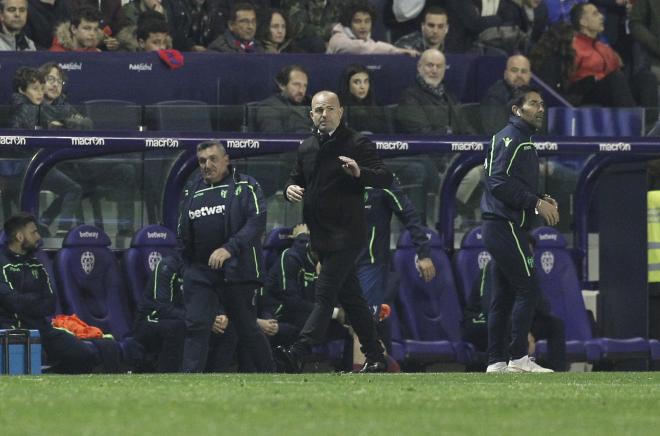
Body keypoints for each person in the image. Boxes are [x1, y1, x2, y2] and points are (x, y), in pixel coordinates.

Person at [276, 90, 393, 373]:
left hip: (348, 234)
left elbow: (385, 176)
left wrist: (358, 173)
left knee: (325, 295)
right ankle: (376, 357)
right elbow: (295, 178)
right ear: (311, 114)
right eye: (319, 110)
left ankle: (299, 351)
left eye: (330, 109)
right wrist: (289, 188)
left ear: (340, 112)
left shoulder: (356, 143)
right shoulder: (306, 147)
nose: (324, 114)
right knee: (352, 299)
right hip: (320, 237)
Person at [177, 140, 274, 373]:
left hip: (237, 270)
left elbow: (256, 222)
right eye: (202, 161)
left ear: (226, 160)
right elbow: (182, 229)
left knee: (247, 328)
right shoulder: (192, 189)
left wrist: (230, 248)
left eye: (213, 159)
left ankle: (270, 374)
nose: (207, 165)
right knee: (197, 326)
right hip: (200, 271)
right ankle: (188, 382)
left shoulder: (247, 186)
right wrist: (186, 267)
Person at [480, 85, 558, 373]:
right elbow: (498, 182)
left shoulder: (513, 138)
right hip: (504, 226)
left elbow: (507, 181)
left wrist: (540, 198)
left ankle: (496, 361)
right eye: (534, 104)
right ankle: (519, 359)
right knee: (529, 288)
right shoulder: (514, 139)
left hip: (499, 225)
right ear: (517, 110)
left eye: (542, 104)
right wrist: (535, 203)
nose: (540, 109)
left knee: (504, 295)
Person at [0, 212, 123, 373]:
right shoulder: (2, 264)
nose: (38, 236)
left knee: (83, 353)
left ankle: (64, 386)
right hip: (13, 330)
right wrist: (33, 301)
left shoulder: (36, 264)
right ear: (19, 237)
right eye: (33, 232)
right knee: (37, 356)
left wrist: (26, 302)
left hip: (41, 328)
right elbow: (12, 302)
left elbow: (50, 302)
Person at [134, 253, 237, 372]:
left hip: (191, 318)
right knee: (178, 328)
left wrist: (220, 314)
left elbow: (213, 297)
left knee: (228, 329)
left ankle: (213, 378)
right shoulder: (167, 266)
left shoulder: (205, 268)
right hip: (152, 320)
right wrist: (202, 319)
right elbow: (163, 308)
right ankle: (169, 376)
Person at [462, 256, 567, 372]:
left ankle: (558, 371)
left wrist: (532, 285)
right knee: (506, 324)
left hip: (516, 321)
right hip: (481, 319)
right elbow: (490, 305)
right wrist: (524, 331)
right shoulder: (495, 266)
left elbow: (544, 307)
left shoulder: (527, 269)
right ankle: (505, 368)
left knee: (555, 324)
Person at [258, 224, 350, 351]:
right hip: (283, 312)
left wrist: (343, 311)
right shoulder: (291, 257)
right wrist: (334, 313)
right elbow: (291, 302)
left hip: (311, 314)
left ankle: (349, 368)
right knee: (302, 328)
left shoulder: (329, 264)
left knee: (353, 328)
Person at [396, 48, 472, 135]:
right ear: (419, 67)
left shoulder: (450, 97)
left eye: (439, 66)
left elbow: (467, 128)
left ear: (444, 70)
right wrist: (449, 131)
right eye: (430, 65)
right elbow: (421, 134)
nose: (434, 71)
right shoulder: (409, 98)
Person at [326, 0, 418, 56]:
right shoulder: (338, 39)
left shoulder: (369, 42)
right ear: (349, 23)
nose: (363, 26)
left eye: (367, 21)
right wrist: (396, 51)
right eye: (358, 21)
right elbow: (361, 47)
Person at [480, 54, 532, 134]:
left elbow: (542, 137)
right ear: (506, 74)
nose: (519, 75)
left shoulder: (536, 97)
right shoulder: (494, 96)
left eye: (524, 71)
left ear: (529, 75)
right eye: (514, 70)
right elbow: (497, 132)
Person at [253, 64, 312, 133]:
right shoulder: (269, 108)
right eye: (296, 84)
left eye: (305, 86)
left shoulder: (309, 104)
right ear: (282, 85)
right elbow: (275, 140)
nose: (301, 90)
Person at [337, 63, 386, 134]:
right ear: (347, 85)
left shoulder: (378, 107)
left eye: (366, 82)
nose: (362, 87)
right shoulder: (337, 108)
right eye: (357, 82)